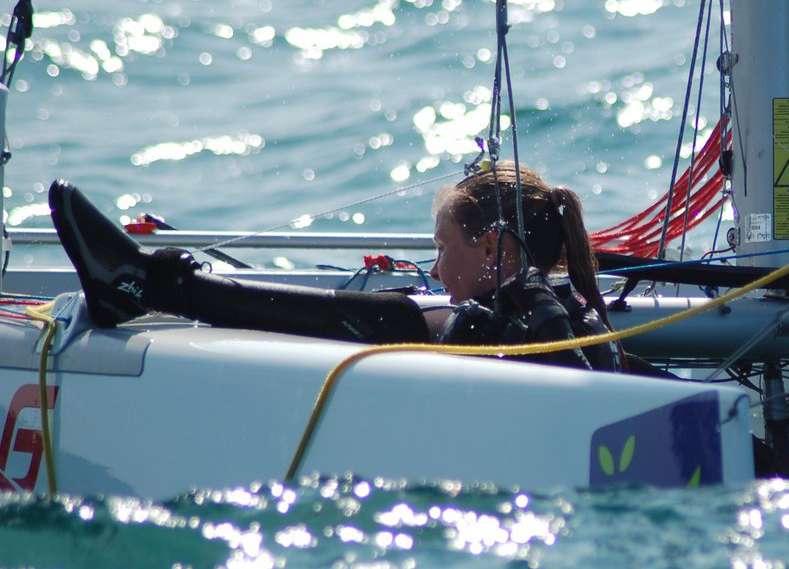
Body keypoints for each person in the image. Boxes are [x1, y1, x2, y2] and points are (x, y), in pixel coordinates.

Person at [48, 162, 624, 371]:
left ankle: (148, 285)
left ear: (492, 250)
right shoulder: (530, 312)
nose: (436, 268)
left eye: (444, 247)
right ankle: (153, 285)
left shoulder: (552, 319)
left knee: (414, 321)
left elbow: (593, 382)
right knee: (402, 316)